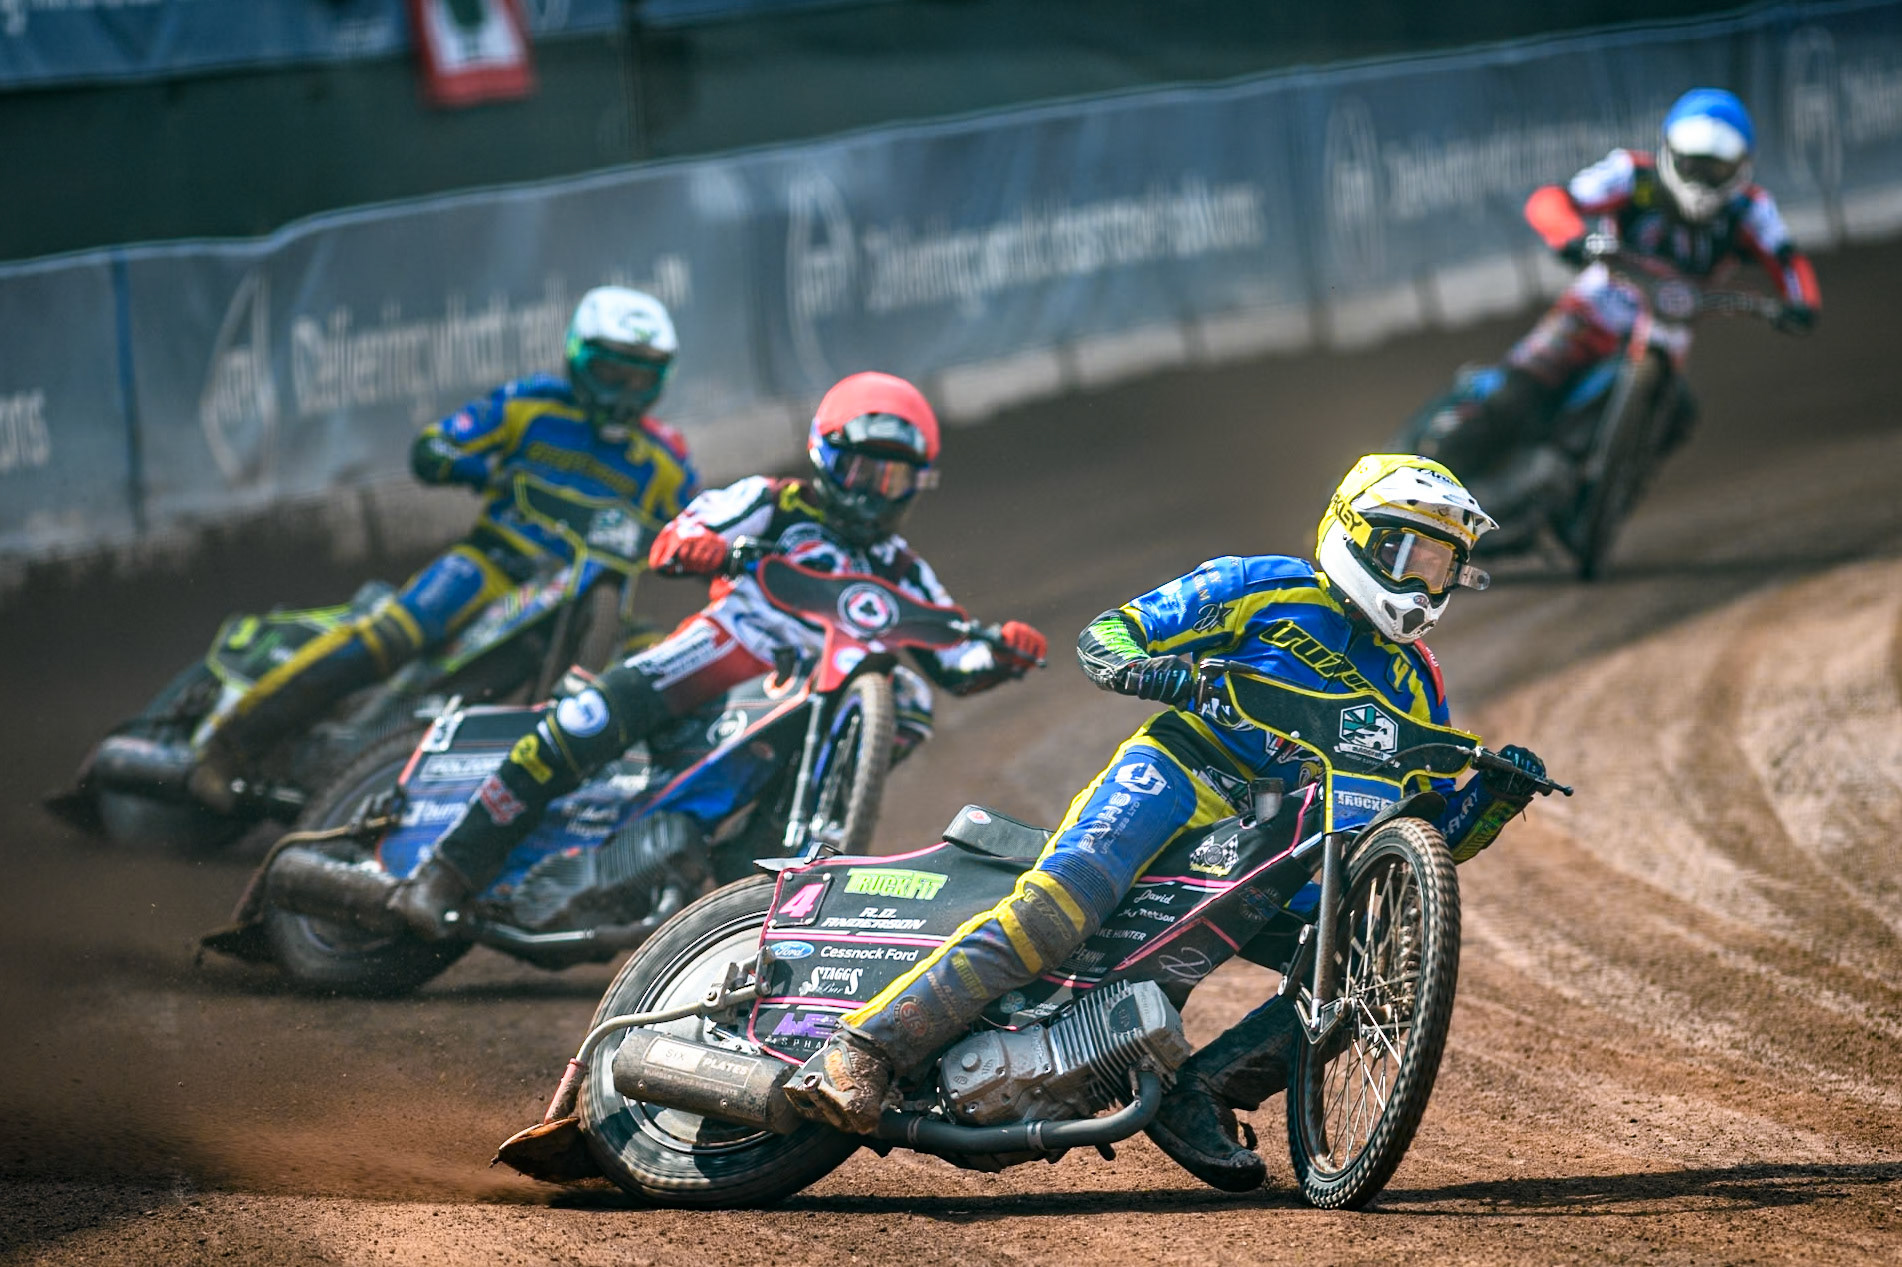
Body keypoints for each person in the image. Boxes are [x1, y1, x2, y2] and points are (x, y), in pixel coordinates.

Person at [781, 454, 1550, 1194]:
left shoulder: (1419, 683)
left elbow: (1422, 842)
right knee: (1059, 907)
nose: (1425, 583)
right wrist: (1169, 674)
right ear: (1357, 534)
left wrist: (1492, 800)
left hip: (1272, 838)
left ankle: (1202, 1091)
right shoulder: (1262, 585)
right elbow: (1107, 637)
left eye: (1442, 567)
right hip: (1177, 773)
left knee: (1360, 975)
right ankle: (866, 1045)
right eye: (1411, 555)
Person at [387, 371, 1049, 935]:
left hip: (810, 692)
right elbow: (678, 534)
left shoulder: (901, 568)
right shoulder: (771, 502)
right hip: (731, 645)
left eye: (892, 476)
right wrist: (702, 546)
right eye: (860, 468)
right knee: (587, 719)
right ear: (823, 455)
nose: (874, 489)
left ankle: (751, 859)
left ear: (915, 484)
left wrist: (1004, 652)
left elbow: (956, 653)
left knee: (909, 700)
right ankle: (449, 868)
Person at [188, 287, 698, 812]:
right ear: (577, 358)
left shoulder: (665, 458)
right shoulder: (529, 404)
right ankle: (230, 745)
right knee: (404, 628)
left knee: (667, 663)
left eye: (641, 377)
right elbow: (435, 444)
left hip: (593, 602)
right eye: (612, 372)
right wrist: (467, 464)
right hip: (493, 568)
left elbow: (703, 519)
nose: (624, 390)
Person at [1419, 87, 1820, 494]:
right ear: (1670, 152)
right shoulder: (1632, 174)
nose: (1701, 180)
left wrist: (1802, 304)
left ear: (1740, 168)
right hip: (1595, 308)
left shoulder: (1751, 209)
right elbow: (1551, 199)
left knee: (1678, 417)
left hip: (1667, 330)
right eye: (1693, 165)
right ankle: (1430, 471)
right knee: (1518, 388)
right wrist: (1572, 237)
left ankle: (1609, 497)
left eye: (1714, 170)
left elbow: (1787, 259)